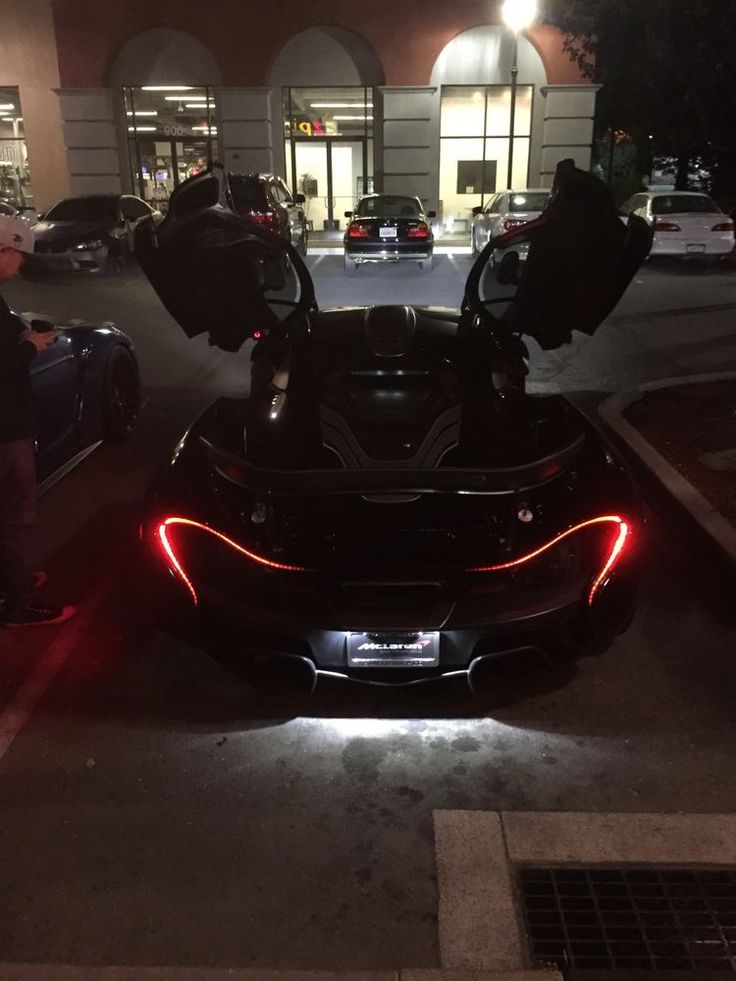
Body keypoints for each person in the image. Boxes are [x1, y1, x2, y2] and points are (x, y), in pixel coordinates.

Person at [0, 214, 76, 626]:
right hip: (5, 429)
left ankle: (11, 582)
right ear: (4, 250)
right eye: (19, 256)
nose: (21, 266)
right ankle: (18, 601)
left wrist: (22, 331)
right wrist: (30, 347)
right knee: (14, 514)